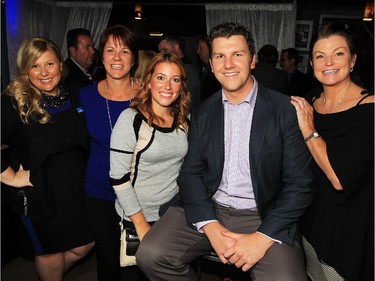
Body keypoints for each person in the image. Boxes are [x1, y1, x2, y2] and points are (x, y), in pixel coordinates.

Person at [136, 22, 314, 281]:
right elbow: (190, 174)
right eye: (220, 56)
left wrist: (262, 238)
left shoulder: (283, 110)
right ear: (212, 61)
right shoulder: (204, 111)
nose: (228, 64)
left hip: (263, 214)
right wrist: (209, 225)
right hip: (211, 206)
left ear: (253, 60)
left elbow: (301, 184)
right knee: (151, 254)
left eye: (237, 55)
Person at [1, 37, 94, 281]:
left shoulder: (76, 94)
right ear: (25, 70)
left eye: (50, 64)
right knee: (50, 253)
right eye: (35, 66)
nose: (44, 72)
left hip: (77, 192)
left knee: (86, 243)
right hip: (38, 195)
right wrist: (9, 176)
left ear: (61, 66)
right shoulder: (15, 102)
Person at [291, 21, 374, 281]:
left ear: (352, 60)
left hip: (348, 230)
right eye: (320, 56)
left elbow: (339, 177)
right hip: (312, 222)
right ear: (312, 65)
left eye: (338, 53)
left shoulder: (369, 108)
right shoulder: (312, 98)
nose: (329, 62)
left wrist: (308, 128)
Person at [109, 51, 190, 274]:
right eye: (161, 77)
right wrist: (140, 222)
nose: (168, 86)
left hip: (171, 214)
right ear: (149, 81)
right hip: (137, 216)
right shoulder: (130, 119)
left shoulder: (183, 119)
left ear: (181, 86)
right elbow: (118, 177)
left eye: (175, 79)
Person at [78, 24, 140, 281]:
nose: (116, 57)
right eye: (110, 50)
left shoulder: (148, 94)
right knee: (108, 261)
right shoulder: (86, 95)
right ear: (100, 56)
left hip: (139, 194)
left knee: (136, 264)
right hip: (99, 192)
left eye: (124, 51)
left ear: (133, 59)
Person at [158, 35, 200, 109]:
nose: (162, 54)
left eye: (165, 50)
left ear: (176, 48)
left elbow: (190, 100)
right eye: (160, 51)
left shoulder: (187, 69)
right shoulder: (181, 67)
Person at [64, 28, 96, 102]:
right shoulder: (68, 76)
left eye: (92, 47)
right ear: (73, 51)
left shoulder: (84, 71)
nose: (93, 51)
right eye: (87, 47)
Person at [196, 35, 221, 101]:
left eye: (201, 48)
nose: (198, 51)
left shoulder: (218, 71)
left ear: (210, 49)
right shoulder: (204, 69)